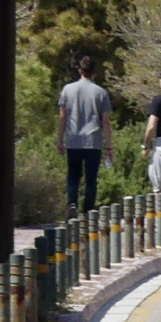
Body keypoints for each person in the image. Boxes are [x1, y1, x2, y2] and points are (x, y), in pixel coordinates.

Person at [56, 55, 114, 215]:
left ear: (80, 70)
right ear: (94, 73)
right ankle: (88, 210)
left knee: (73, 175)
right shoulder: (101, 93)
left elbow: (63, 116)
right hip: (93, 141)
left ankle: (72, 205)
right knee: (91, 178)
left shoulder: (68, 89)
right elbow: (106, 122)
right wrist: (109, 146)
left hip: (73, 139)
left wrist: (59, 139)